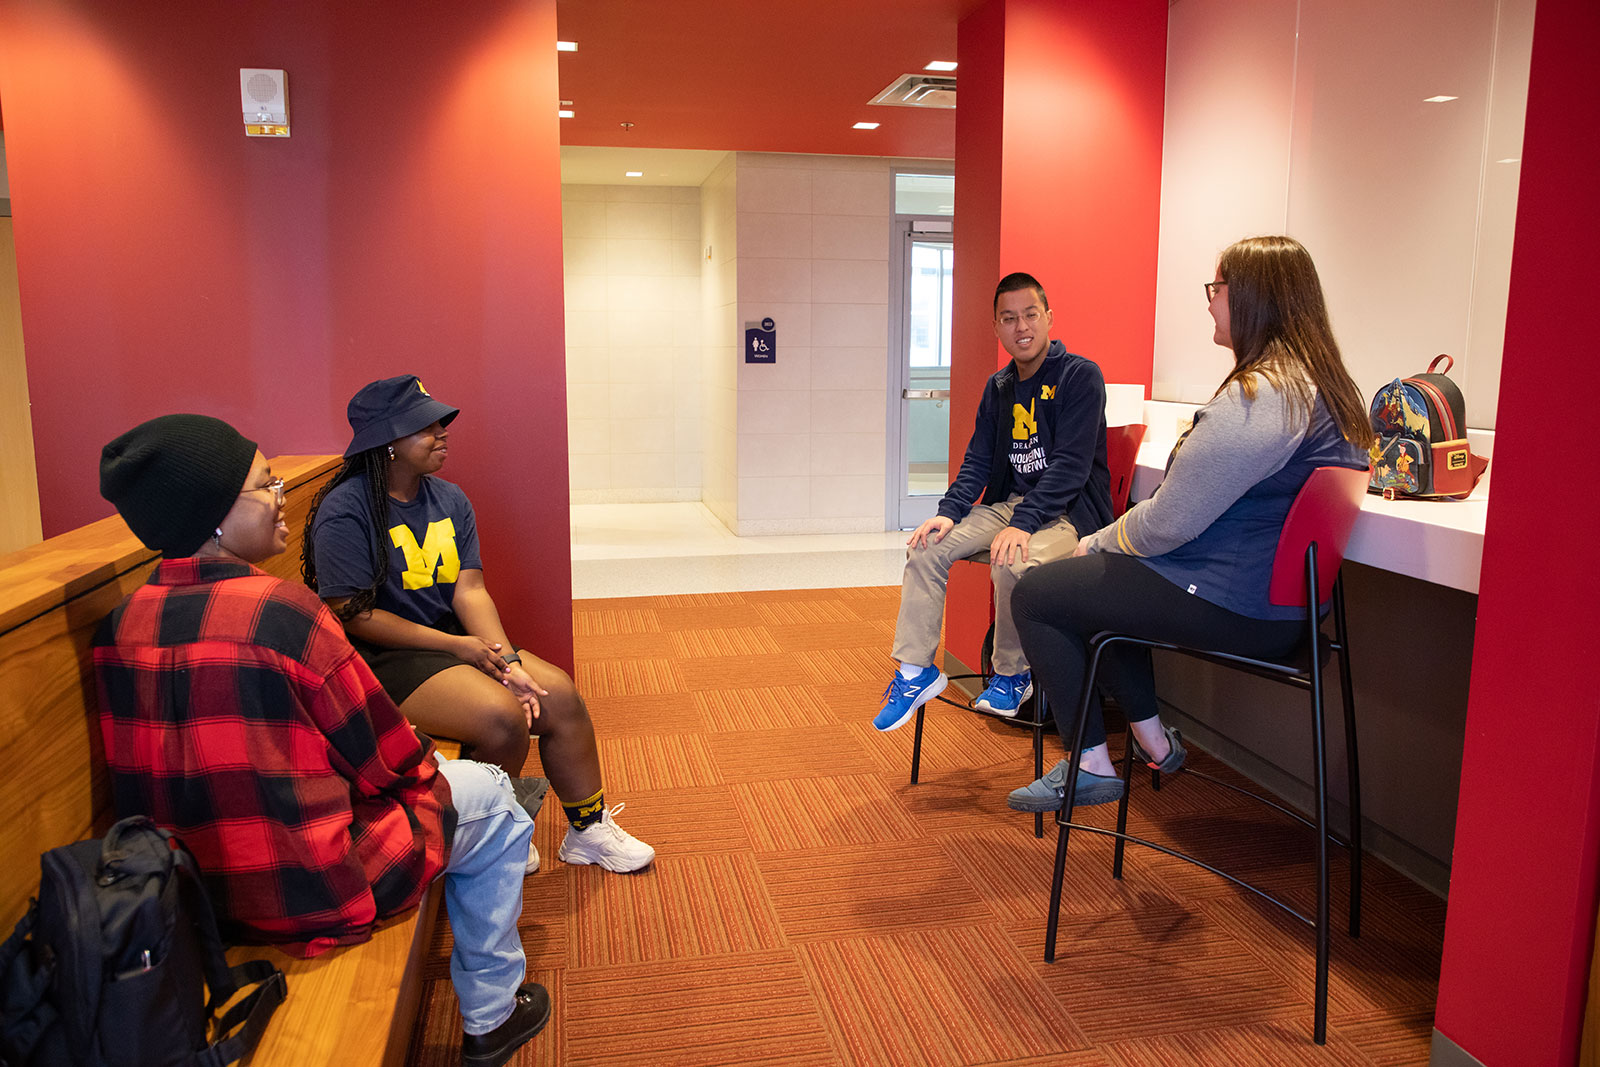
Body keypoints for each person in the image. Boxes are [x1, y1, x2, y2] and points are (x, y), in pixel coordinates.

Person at [93, 414, 548, 1067]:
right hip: (306, 882)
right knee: (499, 799)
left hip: (189, 892)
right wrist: (426, 756)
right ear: (214, 517)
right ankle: (493, 1015)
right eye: (264, 485)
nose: (282, 496)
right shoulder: (283, 612)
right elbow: (389, 759)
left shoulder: (117, 625)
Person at [1005, 235, 1373, 812]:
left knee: (1037, 594)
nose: (1209, 302)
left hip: (1241, 608)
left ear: (1252, 298)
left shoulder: (1264, 394)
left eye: (1217, 289)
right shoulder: (1321, 386)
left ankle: (1091, 765)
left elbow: (1168, 522)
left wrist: (1095, 542)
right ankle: (1155, 742)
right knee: (1097, 591)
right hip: (1283, 607)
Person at [303, 375, 654, 873]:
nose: (442, 433)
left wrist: (506, 659)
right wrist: (461, 647)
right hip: (381, 660)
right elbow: (355, 615)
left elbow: (470, 591)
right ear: (387, 444)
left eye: (441, 423)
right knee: (501, 717)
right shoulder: (346, 510)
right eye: (424, 427)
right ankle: (495, 829)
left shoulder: (450, 499)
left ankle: (589, 831)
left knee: (559, 695)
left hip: (452, 643)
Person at [872, 272, 1114, 731]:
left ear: (1049, 318)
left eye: (1030, 315)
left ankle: (1011, 674)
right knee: (925, 547)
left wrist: (1023, 523)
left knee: (1012, 558)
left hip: (1068, 512)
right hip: (1015, 506)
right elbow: (978, 461)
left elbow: (1071, 468)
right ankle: (915, 670)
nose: (1021, 327)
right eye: (1009, 319)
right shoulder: (998, 386)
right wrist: (947, 513)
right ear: (996, 328)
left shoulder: (1079, 376)